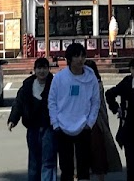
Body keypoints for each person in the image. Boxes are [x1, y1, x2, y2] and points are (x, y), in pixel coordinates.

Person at [49, 42, 99, 181]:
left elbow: (95, 102)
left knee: (84, 167)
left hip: (83, 127)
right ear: (69, 59)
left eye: (83, 56)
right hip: (62, 127)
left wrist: (90, 123)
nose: (80, 59)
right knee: (66, 168)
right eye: (76, 56)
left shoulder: (91, 78)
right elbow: (52, 101)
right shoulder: (59, 78)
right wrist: (56, 123)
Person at [8, 57, 56, 181]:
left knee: (48, 161)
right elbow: (18, 103)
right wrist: (13, 120)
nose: (42, 71)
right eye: (39, 68)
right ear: (34, 70)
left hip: (49, 128)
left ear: (49, 69)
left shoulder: (55, 84)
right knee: (34, 162)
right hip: (32, 128)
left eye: (45, 68)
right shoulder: (27, 85)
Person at [84, 60, 122, 180]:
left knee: (97, 154)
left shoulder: (97, 85)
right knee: (90, 154)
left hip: (95, 123)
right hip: (90, 123)